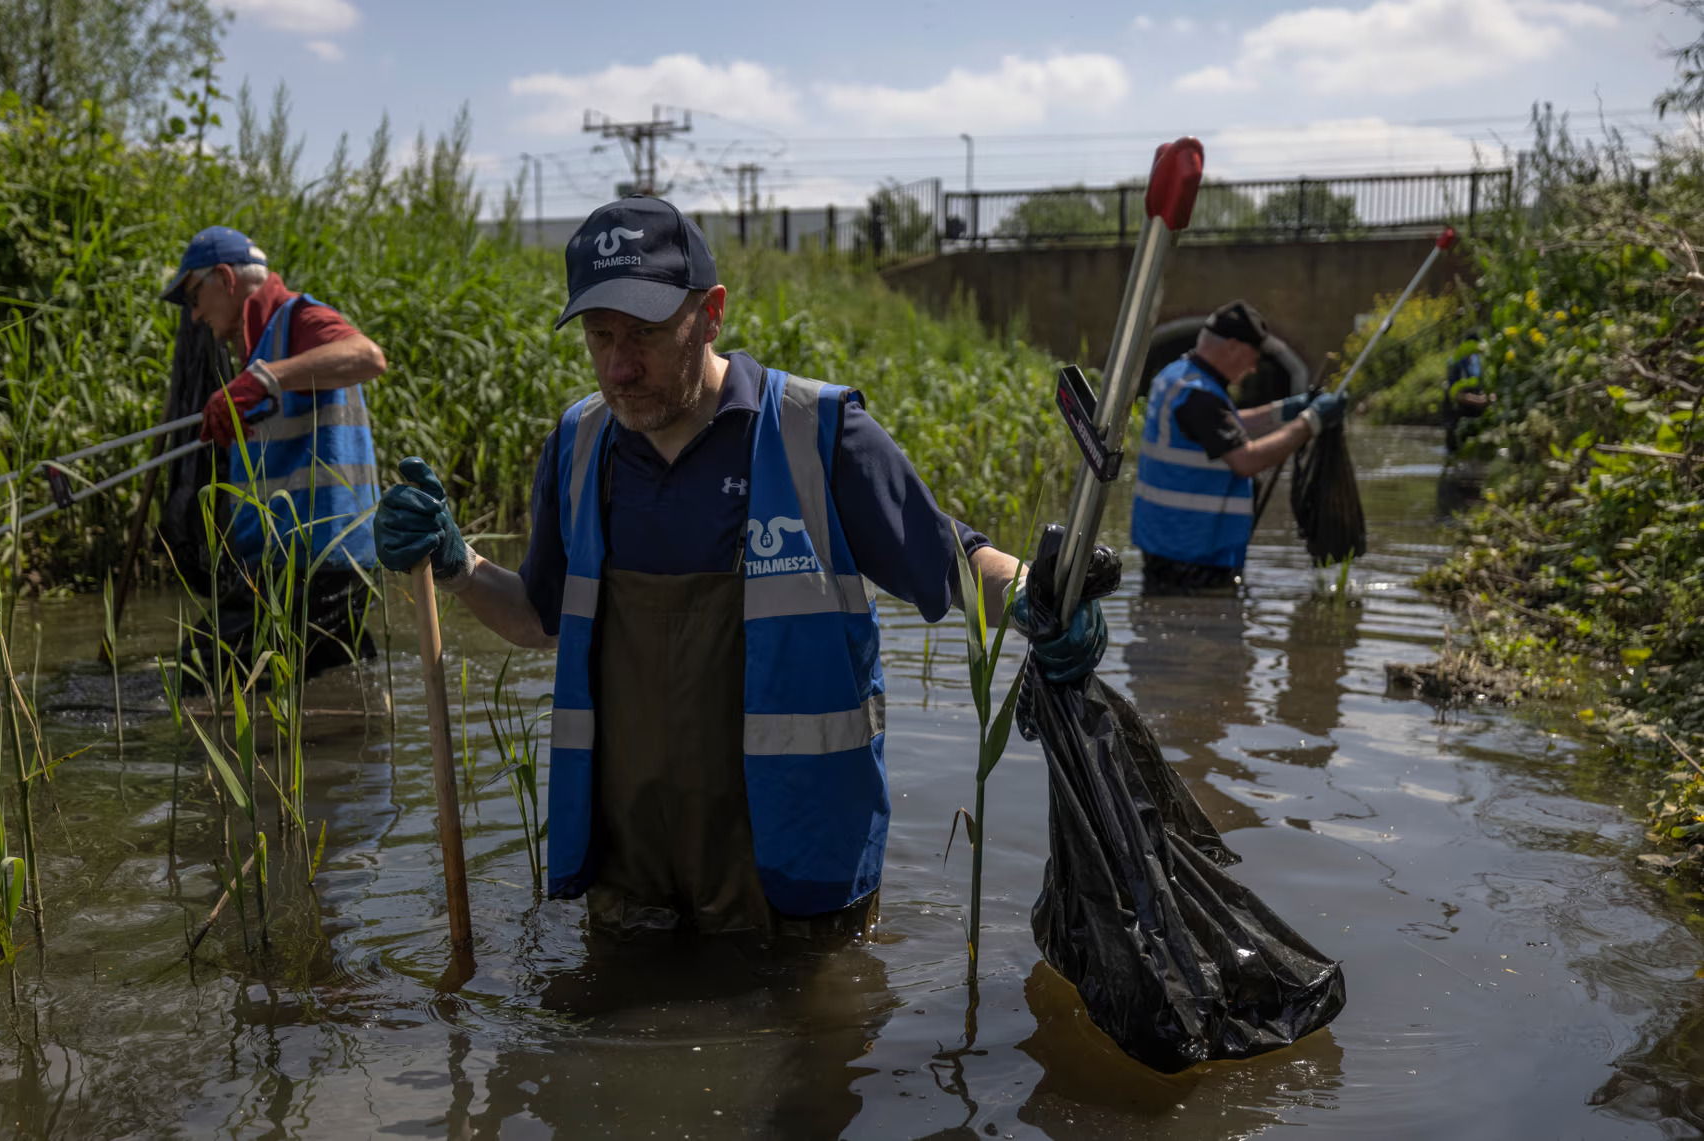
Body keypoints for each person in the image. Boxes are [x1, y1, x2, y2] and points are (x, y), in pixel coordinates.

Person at [374, 195, 1105, 941]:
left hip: (794, 880)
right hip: (634, 885)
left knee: (822, 1042)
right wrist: (457, 563)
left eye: (647, 334)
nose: (620, 367)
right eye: (600, 337)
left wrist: (1038, 598)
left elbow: (953, 560)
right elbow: (538, 617)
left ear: (711, 312)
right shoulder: (578, 444)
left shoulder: (816, 433)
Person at [160, 225, 389, 682]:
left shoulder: (296, 318)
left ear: (224, 278)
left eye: (193, 297)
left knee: (200, 675)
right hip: (289, 565)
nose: (194, 316)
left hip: (322, 562)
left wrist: (263, 378)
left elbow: (367, 357)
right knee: (320, 681)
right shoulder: (259, 343)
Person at [1130, 300, 1347, 595]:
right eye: (1253, 355)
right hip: (1192, 555)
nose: (1254, 366)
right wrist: (1310, 422)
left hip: (1169, 543)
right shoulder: (1199, 395)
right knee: (1206, 632)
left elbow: (1221, 427)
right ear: (1232, 346)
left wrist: (1286, 411)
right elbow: (1246, 460)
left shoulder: (1177, 376)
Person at [1442, 335, 1492, 455]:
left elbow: (1484, 384)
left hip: (1475, 417)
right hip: (1458, 417)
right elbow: (1455, 394)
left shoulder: (1478, 360)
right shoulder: (1455, 362)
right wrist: (1478, 400)